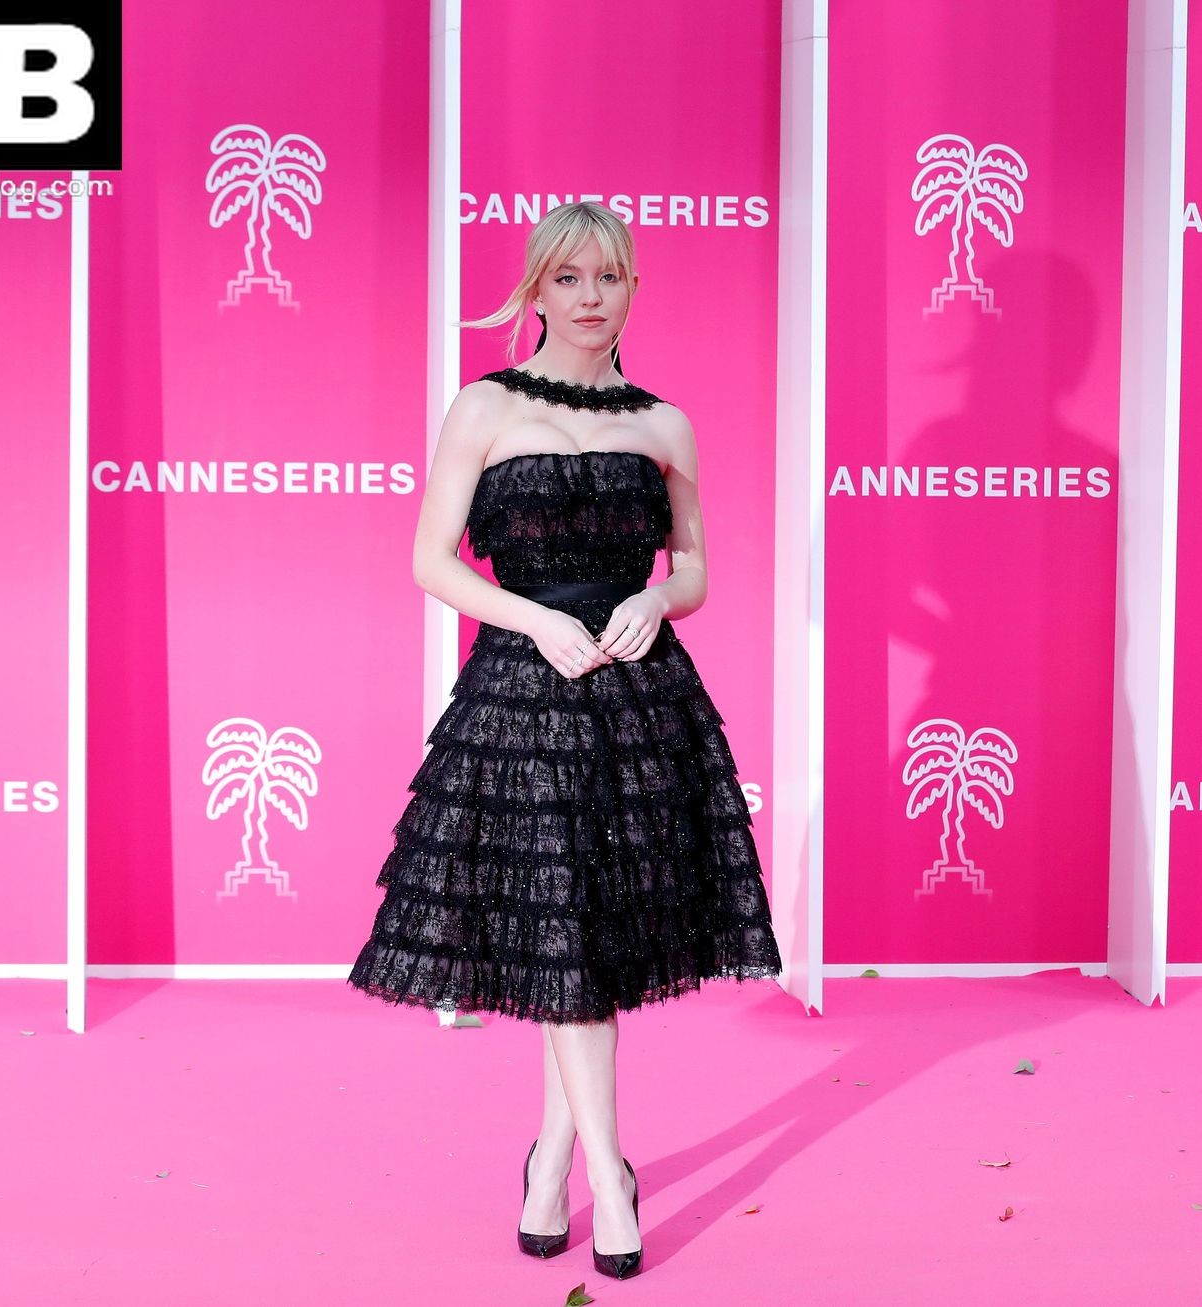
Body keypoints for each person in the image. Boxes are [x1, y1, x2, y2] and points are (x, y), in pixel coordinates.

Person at [347, 200, 783, 1281]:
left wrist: (657, 599)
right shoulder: (486, 406)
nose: (592, 297)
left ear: (634, 288)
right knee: (565, 938)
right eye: (570, 277)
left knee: (581, 937)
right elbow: (431, 559)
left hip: (639, 702)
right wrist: (533, 618)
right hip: (522, 699)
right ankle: (610, 1177)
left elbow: (695, 566)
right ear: (536, 290)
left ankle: (550, 1162)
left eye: (611, 277)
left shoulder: (665, 424)